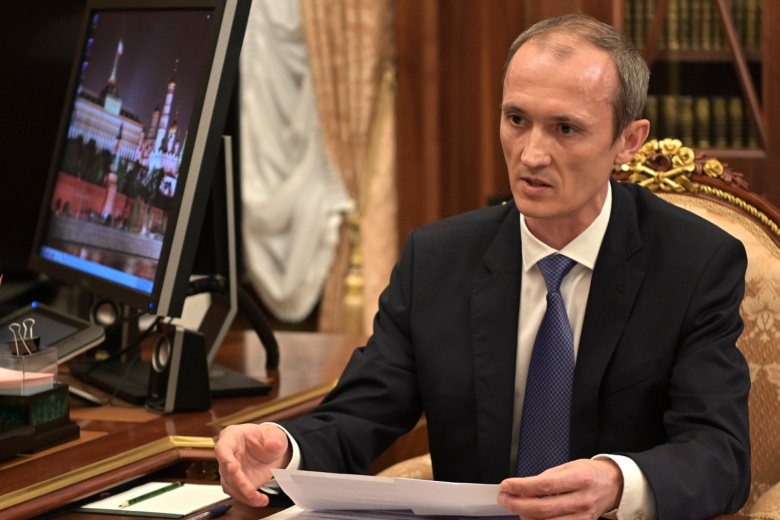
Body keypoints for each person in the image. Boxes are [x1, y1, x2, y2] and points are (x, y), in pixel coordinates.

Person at [216, 13, 751, 520]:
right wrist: (283, 449)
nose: (531, 154)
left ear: (628, 142)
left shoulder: (693, 264)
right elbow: (361, 413)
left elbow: (720, 454)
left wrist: (615, 481)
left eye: (565, 129)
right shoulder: (438, 260)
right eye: (517, 119)